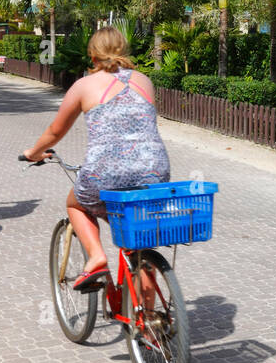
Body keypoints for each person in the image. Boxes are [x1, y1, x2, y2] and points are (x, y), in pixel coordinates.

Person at [23, 26, 169, 292]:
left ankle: (96, 257)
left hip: (106, 172)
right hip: (154, 169)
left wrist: (33, 153)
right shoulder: (144, 80)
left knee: (76, 204)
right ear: (124, 51)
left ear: (92, 57)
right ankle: (148, 324)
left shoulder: (84, 85)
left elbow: (56, 131)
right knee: (140, 243)